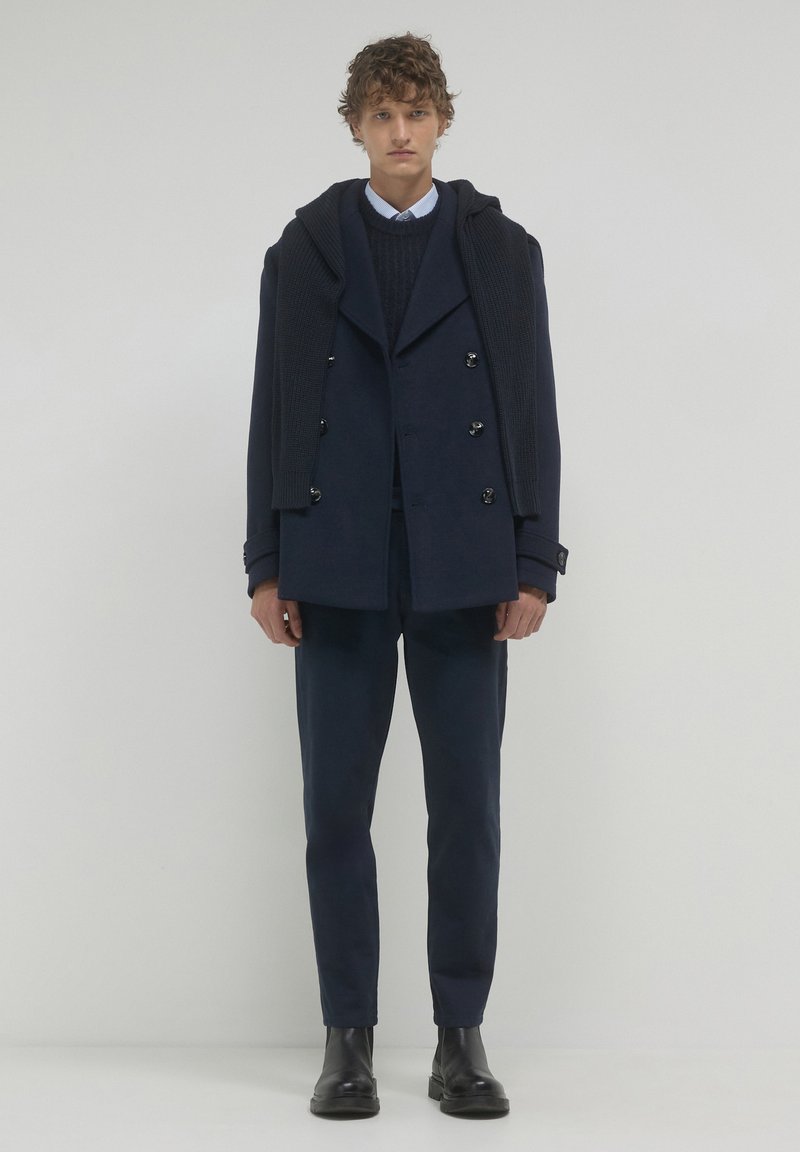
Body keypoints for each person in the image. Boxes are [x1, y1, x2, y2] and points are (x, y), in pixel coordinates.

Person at [244, 32, 567, 1119]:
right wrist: (265, 559)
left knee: (465, 808)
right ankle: (347, 1039)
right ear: (354, 126)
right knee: (335, 810)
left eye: (415, 112)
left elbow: (530, 408)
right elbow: (274, 407)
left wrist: (533, 559)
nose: (399, 132)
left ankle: (459, 1038)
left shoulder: (501, 250)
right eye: (380, 115)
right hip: (333, 555)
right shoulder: (302, 251)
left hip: (464, 560)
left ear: (441, 121)